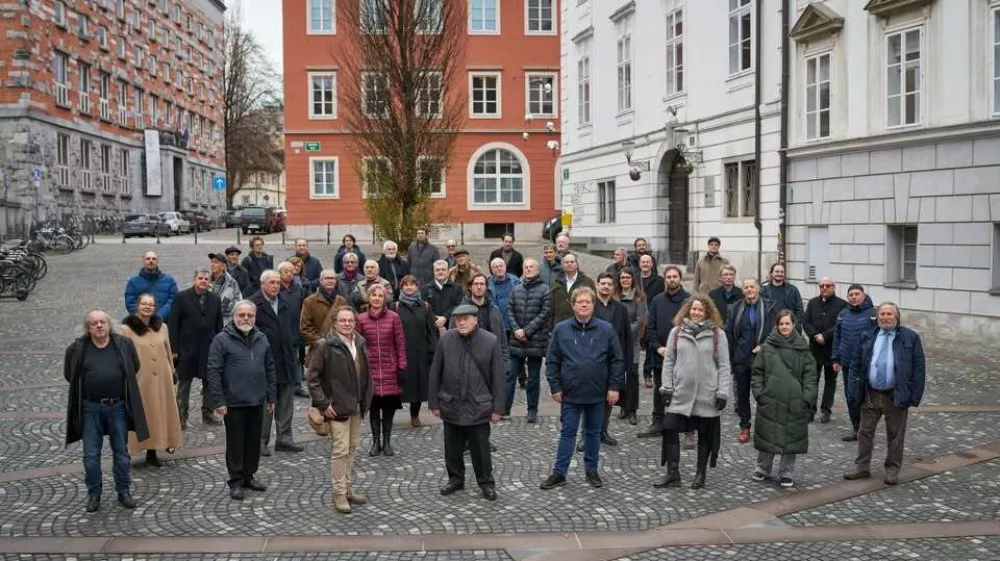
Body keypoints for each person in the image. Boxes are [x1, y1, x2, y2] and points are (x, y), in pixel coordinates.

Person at [64, 310, 149, 512]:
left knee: (121, 453)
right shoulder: (77, 349)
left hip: (117, 407)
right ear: (88, 328)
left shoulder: (123, 344)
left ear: (109, 324)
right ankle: (94, 493)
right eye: (94, 323)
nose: (99, 326)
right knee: (91, 456)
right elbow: (71, 375)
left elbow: (133, 367)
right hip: (90, 409)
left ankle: (123, 491)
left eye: (103, 322)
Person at [540, 287, 624, 491]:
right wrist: (555, 386)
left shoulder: (606, 329)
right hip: (570, 393)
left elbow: (617, 359)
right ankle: (560, 472)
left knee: (594, 433)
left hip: (598, 393)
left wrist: (614, 387)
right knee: (568, 433)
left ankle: (591, 470)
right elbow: (552, 361)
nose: (584, 305)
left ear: (593, 305)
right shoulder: (561, 329)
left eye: (588, 302)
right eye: (580, 302)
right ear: (573, 305)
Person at [843, 302, 925, 486]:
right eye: (882, 314)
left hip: (895, 394)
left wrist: (914, 396)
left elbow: (919, 369)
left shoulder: (910, 338)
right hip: (871, 392)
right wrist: (854, 390)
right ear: (877, 316)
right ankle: (862, 467)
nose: (885, 318)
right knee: (864, 432)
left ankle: (892, 469)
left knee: (895, 434)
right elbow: (856, 364)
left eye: (889, 314)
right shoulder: (867, 335)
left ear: (897, 317)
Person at [429, 304, 505, 501]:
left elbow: (497, 377)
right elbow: (435, 371)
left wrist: (498, 408)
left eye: (466, 318)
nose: (461, 322)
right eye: (458, 319)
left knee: (481, 450)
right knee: (452, 447)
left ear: (475, 319)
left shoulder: (491, 341)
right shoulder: (445, 339)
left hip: (479, 406)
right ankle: (455, 479)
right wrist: (434, 403)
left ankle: (486, 483)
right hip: (451, 403)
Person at [655, 296, 730, 490]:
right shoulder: (677, 332)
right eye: (693, 309)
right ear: (688, 310)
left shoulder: (717, 335)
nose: (696, 313)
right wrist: (666, 387)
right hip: (680, 393)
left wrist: (723, 392)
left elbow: (723, 365)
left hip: (706, 395)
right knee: (669, 428)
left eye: (700, 310)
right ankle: (673, 473)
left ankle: (700, 473)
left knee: (705, 434)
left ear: (707, 312)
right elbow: (669, 361)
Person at [205, 300, 276, 501]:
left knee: (254, 442)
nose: (246, 318)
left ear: (255, 317)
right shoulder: (221, 340)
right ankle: (235, 480)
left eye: (250, 315)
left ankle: (248, 475)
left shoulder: (262, 338)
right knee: (236, 443)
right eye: (242, 315)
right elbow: (213, 371)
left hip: (257, 400)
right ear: (234, 317)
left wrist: (271, 396)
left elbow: (270, 367)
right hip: (233, 401)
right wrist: (218, 400)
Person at [306, 305, 374, 513]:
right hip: (336, 408)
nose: (347, 324)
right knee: (340, 450)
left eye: (350, 320)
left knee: (352, 449)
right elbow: (312, 378)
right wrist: (324, 404)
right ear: (334, 323)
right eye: (343, 321)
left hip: (357, 405)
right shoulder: (325, 345)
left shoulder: (360, 342)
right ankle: (338, 494)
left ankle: (347, 488)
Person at [751, 310, 817, 488]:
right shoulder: (767, 347)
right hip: (770, 399)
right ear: (777, 325)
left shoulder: (803, 348)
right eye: (781, 324)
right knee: (767, 434)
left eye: (787, 323)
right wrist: (760, 394)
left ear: (794, 325)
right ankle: (763, 468)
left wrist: (806, 398)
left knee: (791, 437)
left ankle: (786, 472)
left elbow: (810, 376)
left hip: (794, 401)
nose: (784, 327)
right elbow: (757, 372)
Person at [120, 294, 183, 468]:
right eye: (144, 304)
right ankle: (131, 449)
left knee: (160, 413)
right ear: (137, 306)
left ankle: (153, 451)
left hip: (162, 378)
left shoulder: (162, 327)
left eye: (151, 304)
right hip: (141, 378)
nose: (147, 307)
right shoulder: (126, 329)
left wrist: (172, 371)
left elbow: (167, 350)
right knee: (143, 414)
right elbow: (124, 355)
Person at [250, 270, 305, 455]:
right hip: (265, 363)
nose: (275, 286)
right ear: (262, 283)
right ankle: (260, 441)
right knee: (266, 405)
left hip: (287, 360)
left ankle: (284, 439)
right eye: (272, 282)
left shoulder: (284, 301)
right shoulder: (253, 304)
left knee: (286, 404)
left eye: (277, 282)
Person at [637, 266, 691, 440]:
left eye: (675, 276)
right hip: (661, 354)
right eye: (669, 277)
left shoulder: (689, 301)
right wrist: (658, 347)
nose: (672, 279)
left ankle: (683, 423)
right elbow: (650, 328)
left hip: (683, 356)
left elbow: (692, 328)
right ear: (665, 279)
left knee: (682, 389)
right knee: (659, 389)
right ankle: (658, 422)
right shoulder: (657, 300)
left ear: (680, 279)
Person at [355, 284, 407, 457]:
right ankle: (376, 442)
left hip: (390, 368)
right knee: (374, 407)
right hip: (371, 370)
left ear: (384, 298)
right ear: (369, 298)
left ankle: (387, 441)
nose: (376, 298)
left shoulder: (394, 317)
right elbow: (357, 346)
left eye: (380, 296)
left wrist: (402, 366)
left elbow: (400, 344)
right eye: (373, 295)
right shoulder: (361, 319)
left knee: (389, 408)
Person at [168, 268, 223, 429]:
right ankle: (181, 416)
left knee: (210, 382)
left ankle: (208, 413)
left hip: (209, 347)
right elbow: (173, 324)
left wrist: (220, 347)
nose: (203, 281)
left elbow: (219, 325)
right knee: (184, 384)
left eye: (206, 279)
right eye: (200, 278)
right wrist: (174, 348)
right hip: (187, 348)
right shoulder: (182, 297)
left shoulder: (215, 299)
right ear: (194, 279)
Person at [725, 278, 778, 444]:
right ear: (743, 291)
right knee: (742, 395)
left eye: (752, 286)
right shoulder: (735, 308)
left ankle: (766, 427)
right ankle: (745, 426)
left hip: (763, 358)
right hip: (741, 358)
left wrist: (765, 345)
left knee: (765, 394)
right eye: (746, 287)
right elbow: (729, 333)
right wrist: (733, 357)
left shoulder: (770, 307)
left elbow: (778, 330)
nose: (749, 289)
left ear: (758, 289)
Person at [585, 273, 633, 449]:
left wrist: (626, 363)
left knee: (609, 400)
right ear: (597, 285)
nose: (606, 287)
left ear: (613, 287)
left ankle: (603, 431)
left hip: (613, 361)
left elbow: (627, 336)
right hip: (592, 361)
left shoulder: (620, 308)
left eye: (609, 284)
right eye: (603, 283)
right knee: (589, 400)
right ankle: (587, 435)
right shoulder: (590, 306)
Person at [506, 258, 552, 423]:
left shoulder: (545, 289)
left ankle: (532, 410)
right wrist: (516, 330)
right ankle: (505, 409)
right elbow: (509, 310)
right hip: (516, 339)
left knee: (533, 378)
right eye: (526, 267)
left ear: (538, 270)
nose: (529, 269)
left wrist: (527, 331)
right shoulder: (516, 288)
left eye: (532, 266)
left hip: (535, 340)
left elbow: (545, 313)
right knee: (510, 374)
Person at [389, 275, 438, 427]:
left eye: (412, 284)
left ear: (417, 287)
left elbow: (431, 331)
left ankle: (414, 415)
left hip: (419, 353)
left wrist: (432, 351)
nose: (409, 287)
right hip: (400, 352)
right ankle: (389, 416)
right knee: (396, 386)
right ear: (401, 287)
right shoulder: (394, 307)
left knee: (417, 387)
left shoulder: (425, 307)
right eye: (406, 285)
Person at [831, 284, 877, 441]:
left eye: (857, 294)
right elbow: (837, 337)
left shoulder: (873, 314)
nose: (854, 297)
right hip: (848, 365)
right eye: (851, 295)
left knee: (866, 398)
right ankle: (856, 428)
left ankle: (866, 429)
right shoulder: (843, 314)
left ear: (864, 295)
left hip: (868, 365)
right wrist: (836, 358)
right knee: (851, 397)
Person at [801, 277, 847, 424]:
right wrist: (815, 335)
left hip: (832, 349)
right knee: (812, 381)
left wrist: (825, 336)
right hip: (814, 349)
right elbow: (805, 322)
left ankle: (826, 410)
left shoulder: (842, 304)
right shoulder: (813, 302)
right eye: (822, 286)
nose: (825, 288)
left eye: (828, 285)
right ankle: (810, 410)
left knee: (830, 382)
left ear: (834, 287)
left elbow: (840, 325)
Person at [617, 268, 647, 425]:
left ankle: (633, 409)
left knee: (633, 375)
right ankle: (623, 406)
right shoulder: (616, 296)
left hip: (632, 342)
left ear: (632, 279)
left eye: (628, 277)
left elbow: (640, 320)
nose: (625, 280)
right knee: (619, 374)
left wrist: (625, 332)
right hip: (616, 341)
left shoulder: (640, 297)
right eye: (622, 278)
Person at [300, 269, 349, 359]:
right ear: (321, 281)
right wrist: (320, 341)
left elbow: (348, 323)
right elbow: (305, 327)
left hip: (339, 349)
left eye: (332, 278)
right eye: (327, 278)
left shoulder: (342, 301)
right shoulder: (310, 301)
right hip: (318, 349)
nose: (330, 280)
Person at [124, 251, 178, 319]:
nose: (151, 261)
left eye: (154, 259)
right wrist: (142, 317)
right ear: (143, 261)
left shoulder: (169, 280)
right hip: (141, 322)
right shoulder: (133, 282)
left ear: (158, 261)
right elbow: (130, 303)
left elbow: (173, 301)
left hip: (164, 321)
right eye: (148, 259)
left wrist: (159, 316)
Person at [550, 252, 595, 325]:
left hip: (581, 324)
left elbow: (593, 303)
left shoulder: (588, 282)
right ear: (562, 265)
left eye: (572, 262)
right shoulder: (555, 282)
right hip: (559, 323)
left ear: (577, 264)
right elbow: (551, 305)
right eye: (566, 262)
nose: (569, 264)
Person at [421, 259, 464, 334]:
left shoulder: (457, 288)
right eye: (437, 270)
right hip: (431, 329)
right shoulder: (425, 289)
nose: (440, 272)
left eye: (443, 270)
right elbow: (424, 307)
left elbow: (458, 305)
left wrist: (445, 317)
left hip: (452, 327)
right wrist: (436, 320)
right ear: (433, 272)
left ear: (448, 271)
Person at [487, 257, 520, 336]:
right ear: (492, 270)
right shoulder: (487, 284)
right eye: (496, 267)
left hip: (514, 325)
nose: (499, 268)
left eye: (501, 266)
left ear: (505, 267)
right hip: (496, 325)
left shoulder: (516, 281)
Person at [208, 251, 243, 325]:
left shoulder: (230, 282)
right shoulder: (207, 281)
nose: (212, 264)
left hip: (226, 321)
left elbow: (226, 304)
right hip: (209, 321)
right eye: (212, 262)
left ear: (223, 266)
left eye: (216, 262)